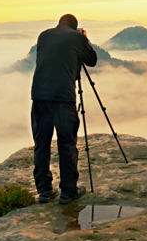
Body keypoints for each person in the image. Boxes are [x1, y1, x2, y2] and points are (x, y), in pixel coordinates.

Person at [31, 13, 97, 204]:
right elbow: (91, 59)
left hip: (39, 95)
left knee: (41, 143)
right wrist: (84, 39)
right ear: (75, 27)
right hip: (62, 97)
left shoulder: (43, 35)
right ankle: (68, 191)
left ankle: (44, 191)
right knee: (66, 143)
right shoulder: (77, 37)